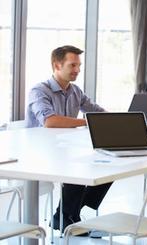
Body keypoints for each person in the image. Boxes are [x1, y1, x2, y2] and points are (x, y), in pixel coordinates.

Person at [26, 45, 112, 234]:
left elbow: (98, 112)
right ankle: (67, 216)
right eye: (72, 65)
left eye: (79, 66)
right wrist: (88, 121)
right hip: (39, 153)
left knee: (108, 164)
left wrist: (118, 119)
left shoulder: (75, 91)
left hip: (65, 149)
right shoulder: (39, 90)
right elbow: (50, 121)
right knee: (81, 166)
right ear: (57, 65)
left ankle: (68, 214)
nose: (77, 70)